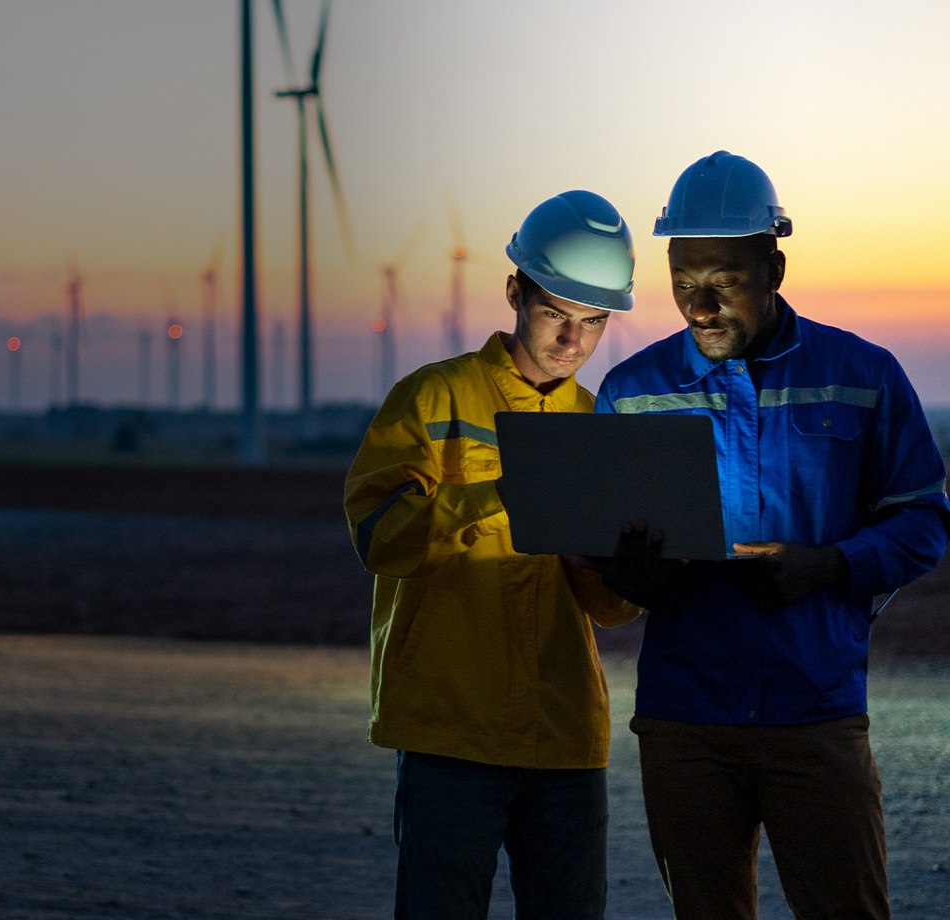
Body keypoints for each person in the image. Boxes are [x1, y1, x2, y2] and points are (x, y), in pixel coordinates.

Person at [595, 150, 950, 920]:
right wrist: (632, 577)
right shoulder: (632, 393)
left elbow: (925, 518)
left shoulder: (864, 374)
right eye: (684, 281)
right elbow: (601, 556)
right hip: (684, 719)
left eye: (725, 278)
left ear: (775, 266)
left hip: (814, 713)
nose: (702, 303)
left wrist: (830, 565)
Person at [344, 190, 643, 920]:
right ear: (515, 291)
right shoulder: (431, 398)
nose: (572, 341)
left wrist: (628, 576)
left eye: (592, 321)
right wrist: (505, 493)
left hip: (565, 738)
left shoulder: (598, 424)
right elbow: (379, 538)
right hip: (452, 732)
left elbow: (606, 610)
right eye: (555, 314)